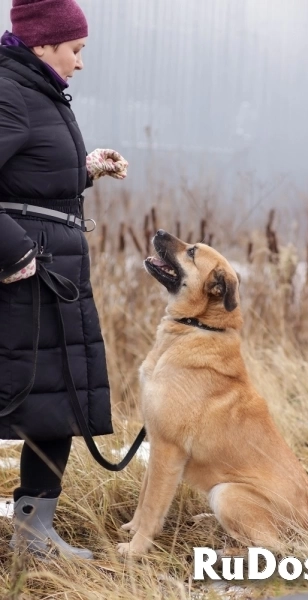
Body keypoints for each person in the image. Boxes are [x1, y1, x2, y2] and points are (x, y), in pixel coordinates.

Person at [0, 0, 128, 560]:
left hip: (54, 278)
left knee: (56, 403)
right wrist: (13, 253)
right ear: (44, 44)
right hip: (26, 279)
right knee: (28, 396)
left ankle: (34, 535)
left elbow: (31, 177)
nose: (80, 62)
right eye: (75, 50)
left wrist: (86, 170)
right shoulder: (9, 92)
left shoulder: (38, 91)